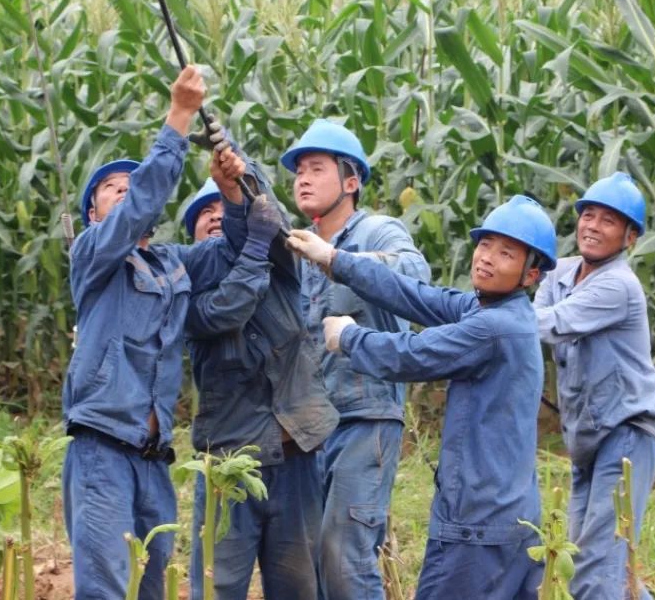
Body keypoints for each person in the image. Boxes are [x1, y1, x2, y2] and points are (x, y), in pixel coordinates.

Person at [288, 194, 556, 600]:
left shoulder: (493, 328)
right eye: (485, 245)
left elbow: (413, 354)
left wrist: (349, 337)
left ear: (531, 275)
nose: (487, 258)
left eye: (506, 254)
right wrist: (335, 260)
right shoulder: (494, 311)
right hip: (512, 515)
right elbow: (416, 296)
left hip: (477, 522)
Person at [62, 65, 245, 599]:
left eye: (131, 184)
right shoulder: (93, 254)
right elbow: (141, 203)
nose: (126, 192)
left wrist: (233, 195)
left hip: (153, 458)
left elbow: (232, 251)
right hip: (102, 449)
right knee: (105, 587)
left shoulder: (171, 263)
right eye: (112, 189)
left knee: (152, 586)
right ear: (93, 214)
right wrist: (181, 114)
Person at [278, 119, 430, 599]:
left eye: (316, 168)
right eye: (299, 171)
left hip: (367, 418)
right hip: (314, 427)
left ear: (351, 181)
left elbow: (414, 274)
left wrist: (335, 258)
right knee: (318, 563)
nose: (303, 179)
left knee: (344, 556)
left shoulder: (377, 231)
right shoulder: (297, 247)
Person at [184, 154, 340, 599]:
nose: (217, 218)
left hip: (296, 461)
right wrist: (249, 242)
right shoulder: (189, 298)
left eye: (224, 208)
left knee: (298, 587)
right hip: (228, 465)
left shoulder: (283, 272)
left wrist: (238, 176)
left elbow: (269, 219)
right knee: (217, 587)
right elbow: (228, 309)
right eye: (205, 215)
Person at [532, 172, 655, 600]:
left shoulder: (618, 286)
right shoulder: (559, 273)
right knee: (592, 561)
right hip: (587, 436)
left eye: (609, 221)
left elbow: (546, 323)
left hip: (627, 433)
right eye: (588, 215)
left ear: (630, 237)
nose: (593, 226)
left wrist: (472, 322)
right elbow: (531, 314)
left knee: (596, 567)